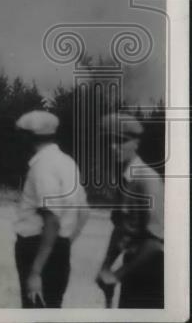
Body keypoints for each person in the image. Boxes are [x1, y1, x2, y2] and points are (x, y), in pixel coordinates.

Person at [12, 110, 89, 309]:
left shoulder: (42, 167)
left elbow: (52, 220)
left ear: (29, 137)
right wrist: (63, 244)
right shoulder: (67, 162)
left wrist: (36, 271)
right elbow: (84, 212)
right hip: (55, 249)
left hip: (37, 250)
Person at [96, 112, 164, 308]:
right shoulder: (124, 179)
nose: (112, 147)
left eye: (121, 141)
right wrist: (106, 265)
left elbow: (156, 244)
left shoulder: (147, 180)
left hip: (153, 274)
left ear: (136, 143)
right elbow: (121, 230)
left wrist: (117, 275)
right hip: (133, 268)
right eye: (107, 141)